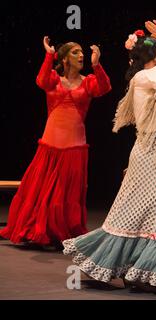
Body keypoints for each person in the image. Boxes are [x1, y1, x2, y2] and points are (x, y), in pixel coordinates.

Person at [63, 21, 156, 288]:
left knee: (149, 212)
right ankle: (142, 270)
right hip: (150, 152)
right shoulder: (146, 77)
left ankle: (138, 269)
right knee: (148, 212)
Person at [0, 37, 111, 247]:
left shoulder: (88, 82)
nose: (81, 56)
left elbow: (104, 88)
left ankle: (61, 231)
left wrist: (97, 66)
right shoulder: (52, 79)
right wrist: (49, 55)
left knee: (66, 193)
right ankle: (37, 230)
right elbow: (40, 80)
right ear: (65, 58)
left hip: (75, 147)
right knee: (41, 190)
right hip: (50, 145)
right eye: (76, 52)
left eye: (82, 53)